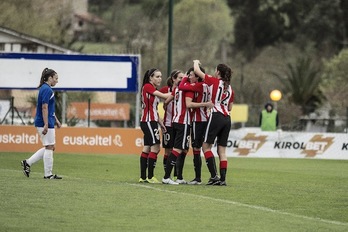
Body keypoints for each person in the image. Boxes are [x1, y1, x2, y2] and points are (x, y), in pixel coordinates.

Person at [162, 68, 213, 185]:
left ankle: (178, 177)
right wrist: (206, 104)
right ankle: (166, 177)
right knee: (177, 149)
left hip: (175, 121)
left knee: (181, 149)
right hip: (183, 122)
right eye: (186, 76)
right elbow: (189, 104)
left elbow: (166, 101)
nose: (189, 77)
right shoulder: (188, 90)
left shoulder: (177, 89)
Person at [193, 60, 234, 186]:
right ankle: (222, 179)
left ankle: (213, 176)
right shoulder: (230, 88)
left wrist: (196, 62)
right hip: (227, 118)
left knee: (206, 147)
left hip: (216, 115)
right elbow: (230, 107)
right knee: (222, 151)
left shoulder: (214, 81)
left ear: (218, 72)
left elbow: (197, 71)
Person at [21, 68, 62, 179]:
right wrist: (46, 124)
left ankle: (27, 162)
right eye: (56, 78)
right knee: (49, 147)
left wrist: (56, 120)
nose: (57, 81)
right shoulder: (47, 90)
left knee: (50, 146)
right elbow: (44, 107)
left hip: (48, 121)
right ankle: (48, 174)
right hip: (44, 122)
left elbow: (50, 108)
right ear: (50, 78)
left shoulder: (46, 89)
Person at [179, 67, 212, 185]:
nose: (189, 77)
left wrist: (183, 78)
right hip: (207, 119)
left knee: (197, 149)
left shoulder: (199, 86)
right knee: (206, 148)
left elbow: (181, 87)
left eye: (191, 75)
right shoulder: (208, 85)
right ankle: (213, 175)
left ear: (198, 76)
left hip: (198, 120)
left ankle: (198, 178)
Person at [139, 68, 170, 184]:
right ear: (150, 78)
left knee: (147, 148)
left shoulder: (152, 89)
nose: (160, 79)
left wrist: (160, 123)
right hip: (148, 121)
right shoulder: (147, 86)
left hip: (151, 121)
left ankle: (143, 177)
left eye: (161, 76)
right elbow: (163, 95)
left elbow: (154, 109)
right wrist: (177, 91)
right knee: (156, 148)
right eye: (157, 76)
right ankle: (150, 176)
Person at [158, 70, 184, 175]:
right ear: (174, 79)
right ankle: (167, 174)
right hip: (168, 124)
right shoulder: (165, 90)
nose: (182, 80)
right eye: (180, 78)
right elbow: (154, 101)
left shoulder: (184, 90)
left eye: (183, 78)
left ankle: (176, 176)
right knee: (168, 151)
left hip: (179, 123)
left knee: (178, 150)